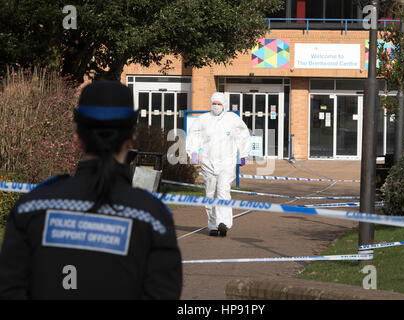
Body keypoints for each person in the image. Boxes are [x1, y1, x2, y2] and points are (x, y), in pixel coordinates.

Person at [0, 81, 182, 299]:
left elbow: (10, 288)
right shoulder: (153, 217)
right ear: (131, 138)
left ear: (77, 136)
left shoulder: (31, 208)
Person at [186, 92, 250, 237]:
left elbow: (243, 136)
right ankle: (213, 225)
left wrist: (244, 154)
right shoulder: (203, 119)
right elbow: (193, 136)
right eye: (214, 103)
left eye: (219, 104)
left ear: (224, 105)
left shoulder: (232, 119)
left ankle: (224, 223)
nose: (216, 106)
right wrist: (194, 153)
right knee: (210, 193)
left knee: (222, 190)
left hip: (227, 161)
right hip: (208, 161)